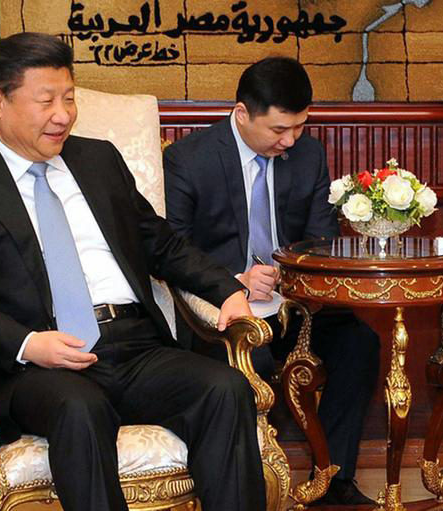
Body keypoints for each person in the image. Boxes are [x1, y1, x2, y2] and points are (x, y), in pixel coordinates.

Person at [0, 32, 266, 511]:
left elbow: (161, 244)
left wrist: (227, 290)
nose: (63, 114)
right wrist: (27, 343)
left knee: (225, 388)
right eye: (46, 101)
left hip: (134, 345)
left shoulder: (98, 160)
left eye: (69, 97)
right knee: (80, 408)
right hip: (38, 363)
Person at [163, 56, 380, 506]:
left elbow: (322, 238)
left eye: (299, 126)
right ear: (243, 113)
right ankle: (247, 487)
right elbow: (173, 249)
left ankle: (332, 480)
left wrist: (292, 274)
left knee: (359, 344)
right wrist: (233, 281)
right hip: (223, 310)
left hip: (294, 304)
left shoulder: (308, 154)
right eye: (279, 129)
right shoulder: (190, 159)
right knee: (251, 362)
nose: (290, 140)